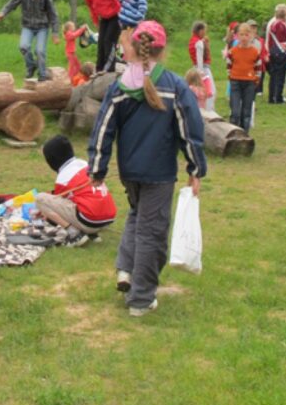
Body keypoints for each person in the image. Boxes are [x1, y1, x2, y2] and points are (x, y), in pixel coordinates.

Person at [88, 20, 207, 317]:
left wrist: (97, 169)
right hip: (159, 174)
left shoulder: (120, 86)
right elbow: (190, 131)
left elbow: (103, 128)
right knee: (152, 232)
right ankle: (141, 299)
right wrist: (196, 169)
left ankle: (125, 271)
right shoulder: (176, 86)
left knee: (139, 216)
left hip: (130, 172)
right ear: (162, 50)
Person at [34, 135, 117, 245]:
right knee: (81, 200)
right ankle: (92, 233)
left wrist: (45, 211)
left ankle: (74, 234)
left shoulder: (63, 176)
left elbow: (58, 204)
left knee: (40, 198)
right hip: (107, 219)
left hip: (89, 221)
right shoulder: (85, 164)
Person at [0, 0, 60, 81]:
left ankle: (42, 74)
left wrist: (55, 32)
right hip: (28, 26)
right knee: (23, 46)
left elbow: (53, 15)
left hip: (42, 27)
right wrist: (3, 13)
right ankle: (31, 66)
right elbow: (11, 4)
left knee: (40, 51)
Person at [80, 0, 122, 73]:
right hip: (104, 19)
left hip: (115, 17)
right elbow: (92, 9)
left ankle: (109, 68)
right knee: (101, 42)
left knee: (109, 41)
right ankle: (99, 67)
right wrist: (96, 22)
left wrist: (122, 15)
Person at [225, 22, 263, 132]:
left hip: (249, 83)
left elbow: (258, 67)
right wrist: (230, 76)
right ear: (237, 35)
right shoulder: (233, 51)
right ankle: (232, 133)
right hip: (235, 81)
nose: (244, 37)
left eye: (246, 35)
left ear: (251, 36)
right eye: (241, 35)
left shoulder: (255, 52)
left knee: (246, 112)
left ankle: (244, 134)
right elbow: (229, 64)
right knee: (235, 111)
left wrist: (256, 79)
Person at [264, 4, 286, 104]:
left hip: (273, 50)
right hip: (281, 52)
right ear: (285, 15)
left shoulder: (273, 24)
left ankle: (271, 97)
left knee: (273, 75)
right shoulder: (282, 24)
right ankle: (278, 98)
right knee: (280, 76)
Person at [188, 21, 215, 111]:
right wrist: (201, 72)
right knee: (210, 90)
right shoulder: (199, 43)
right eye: (204, 30)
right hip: (203, 68)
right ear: (200, 31)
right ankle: (209, 109)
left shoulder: (193, 41)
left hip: (196, 67)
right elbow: (199, 58)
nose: (205, 32)